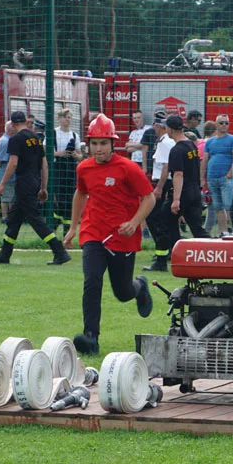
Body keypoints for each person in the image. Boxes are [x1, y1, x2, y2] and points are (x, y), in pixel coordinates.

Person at [62, 114, 155, 355]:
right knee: (91, 281)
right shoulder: (84, 168)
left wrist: (135, 222)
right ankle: (91, 336)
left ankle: (140, 287)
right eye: (94, 143)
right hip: (93, 233)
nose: (99, 148)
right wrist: (73, 227)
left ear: (113, 144)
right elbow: (80, 194)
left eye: (104, 143)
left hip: (122, 237)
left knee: (123, 293)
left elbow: (149, 197)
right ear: (88, 144)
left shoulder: (128, 168)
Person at [0, 111, 71, 265]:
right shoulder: (37, 139)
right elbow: (44, 165)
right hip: (35, 181)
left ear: (12, 124)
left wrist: (2, 183)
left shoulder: (15, 140)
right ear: (26, 122)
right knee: (14, 220)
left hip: (23, 182)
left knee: (36, 220)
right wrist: (43, 187)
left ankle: (60, 251)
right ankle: (5, 254)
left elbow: (13, 163)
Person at [166, 115, 211, 240]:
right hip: (195, 191)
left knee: (165, 220)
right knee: (197, 228)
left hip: (183, 192)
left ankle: (170, 251)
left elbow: (178, 174)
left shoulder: (177, 150)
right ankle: (213, 250)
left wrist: (176, 199)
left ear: (170, 130)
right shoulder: (192, 146)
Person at [143, 112, 177, 272]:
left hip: (162, 184)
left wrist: (159, 188)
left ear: (157, 127)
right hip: (166, 184)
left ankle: (162, 252)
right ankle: (167, 251)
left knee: (153, 218)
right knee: (165, 221)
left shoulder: (164, 143)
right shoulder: (168, 141)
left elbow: (165, 167)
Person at [49, 108, 84, 230]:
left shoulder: (75, 135)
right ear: (58, 118)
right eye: (65, 117)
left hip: (70, 169)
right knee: (60, 198)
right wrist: (60, 154)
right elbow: (45, 152)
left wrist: (75, 155)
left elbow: (80, 156)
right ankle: (56, 219)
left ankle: (66, 228)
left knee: (70, 199)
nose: (67, 119)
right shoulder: (52, 133)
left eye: (69, 117)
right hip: (58, 169)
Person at [203, 115, 233, 235]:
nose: (224, 125)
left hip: (225, 178)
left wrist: (230, 174)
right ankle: (223, 231)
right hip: (212, 178)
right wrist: (202, 178)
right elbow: (205, 160)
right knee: (218, 206)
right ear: (216, 125)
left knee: (228, 206)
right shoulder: (210, 142)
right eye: (221, 123)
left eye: (226, 123)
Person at [0, 122, 17, 222]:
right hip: (6, 172)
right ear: (10, 129)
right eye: (14, 127)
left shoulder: (4, 140)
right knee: (8, 197)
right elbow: (1, 159)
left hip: (5, 172)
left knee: (8, 195)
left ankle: (8, 216)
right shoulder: (6, 141)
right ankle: (6, 217)